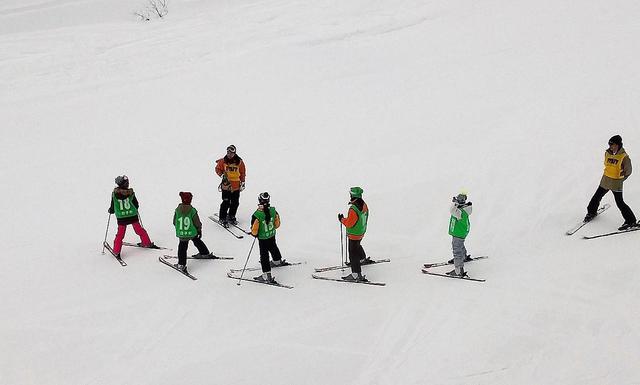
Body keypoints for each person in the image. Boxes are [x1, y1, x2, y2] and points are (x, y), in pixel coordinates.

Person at [585, 135, 638, 230]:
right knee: (596, 197)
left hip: (616, 183)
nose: (610, 146)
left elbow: (628, 171)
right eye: (609, 144)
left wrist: (620, 179)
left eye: (612, 144)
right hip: (605, 180)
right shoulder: (607, 153)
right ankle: (591, 212)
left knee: (620, 202)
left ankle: (631, 221)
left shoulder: (624, 157)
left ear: (618, 145)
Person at [107, 175, 155, 258]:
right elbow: (136, 204)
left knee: (120, 235)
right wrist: (135, 208)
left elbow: (113, 206)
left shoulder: (114, 194)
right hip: (132, 215)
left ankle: (116, 251)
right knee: (139, 230)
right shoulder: (131, 193)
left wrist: (111, 210)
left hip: (122, 217)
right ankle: (146, 242)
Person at [250, 192, 287, 283]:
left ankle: (267, 275)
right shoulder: (273, 210)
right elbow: (277, 224)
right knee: (273, 246)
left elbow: (254, 230)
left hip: (263, 238)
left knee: (264, 255)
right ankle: (277, 260)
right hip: (271, 234)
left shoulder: (257, 214)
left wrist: (254, 234)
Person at [172, 192, 213, 273]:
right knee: (197, 240)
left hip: (182, 233)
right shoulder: (192, 210)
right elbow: (197, 222)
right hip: (192, 231)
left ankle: (181, 264)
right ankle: (204, 253)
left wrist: (180, 229)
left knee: (182, 248)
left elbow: (174, 221)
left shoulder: (177, 210)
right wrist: (199, 230)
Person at [338, 187, 369, 282]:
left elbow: (349, 223)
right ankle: (362, 259)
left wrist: (342, 219)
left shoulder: (353, 209)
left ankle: (356, 274)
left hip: (354, 234)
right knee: (357, 246)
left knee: (352, 253)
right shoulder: (364, 205)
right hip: (361, 231)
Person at [214, 144, 246, 227]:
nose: (229, 154)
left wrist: (243, 182)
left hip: (236, 186)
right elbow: (217, 169)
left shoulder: (240, 162)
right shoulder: (223, 161)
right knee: (226, 202)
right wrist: (221, 175)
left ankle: (231, 215)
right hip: (226, 186)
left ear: (234, 153)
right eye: (228, 152)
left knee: (235, 202)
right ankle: (222, 218)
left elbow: (242, 173)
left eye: (231, 153)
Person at [447, 193, 473, 277]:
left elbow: (451, 210)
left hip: (458, 233)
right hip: (462, 232)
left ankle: (458, 270)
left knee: (457, 249)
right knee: (460, 245)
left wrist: (455, 203)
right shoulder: (464, 209)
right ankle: (463, 257)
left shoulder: (459, 212)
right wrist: (458, 203)